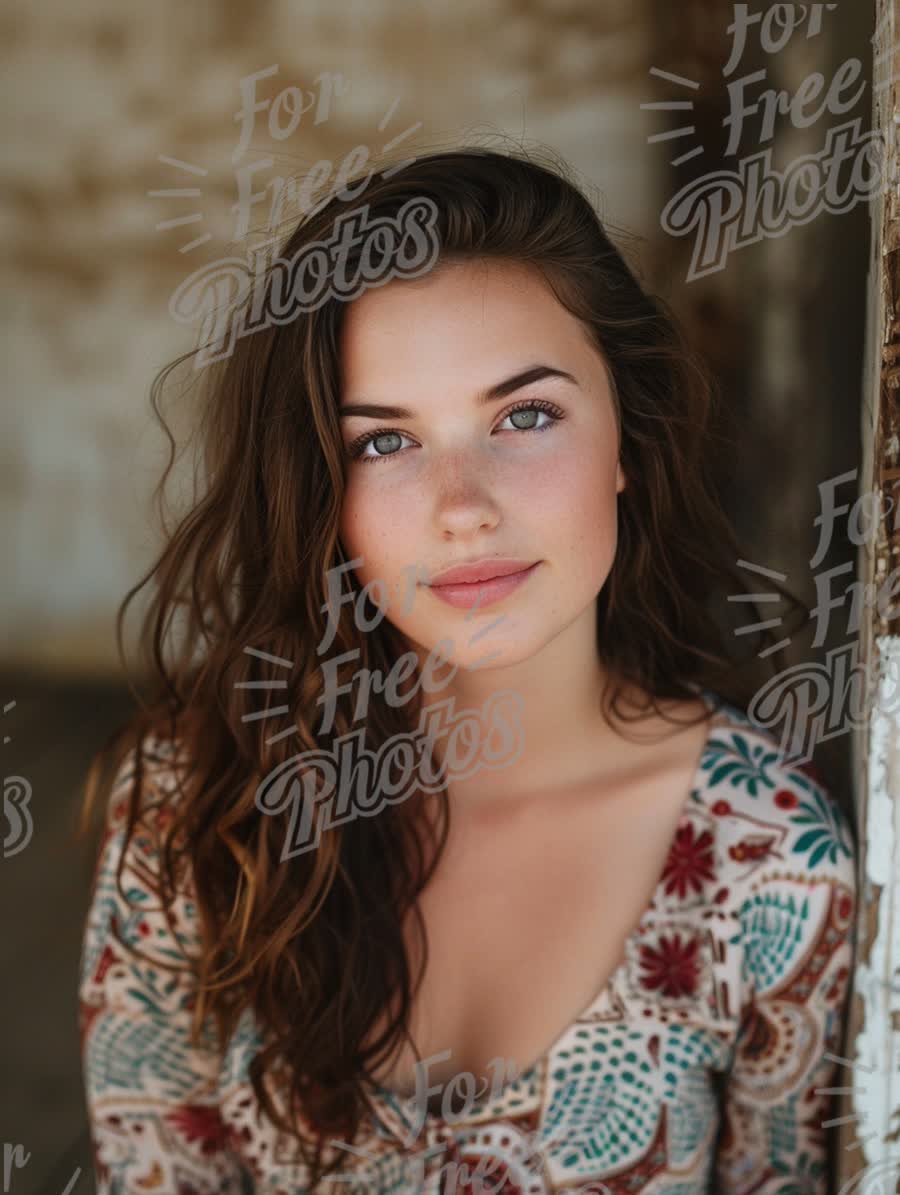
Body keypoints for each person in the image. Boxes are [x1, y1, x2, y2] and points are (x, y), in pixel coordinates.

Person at [77, 146, 857, 1194]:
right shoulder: (194, 801)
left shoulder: (772, 861)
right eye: (384, 444)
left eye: (523, 417)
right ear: (322, 492)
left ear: (627, 434)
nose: (464, 506)